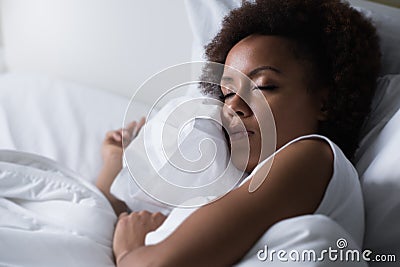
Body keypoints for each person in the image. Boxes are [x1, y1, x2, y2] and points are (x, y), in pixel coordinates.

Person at [97, 0, 381, 266]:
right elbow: (120, 221)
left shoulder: (312, 156)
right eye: (227, 93)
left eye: (263, 86)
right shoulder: (227, 183)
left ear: (326, 101)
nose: (233, 107)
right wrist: (114, 163)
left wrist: (128, 253)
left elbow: (156, 262)